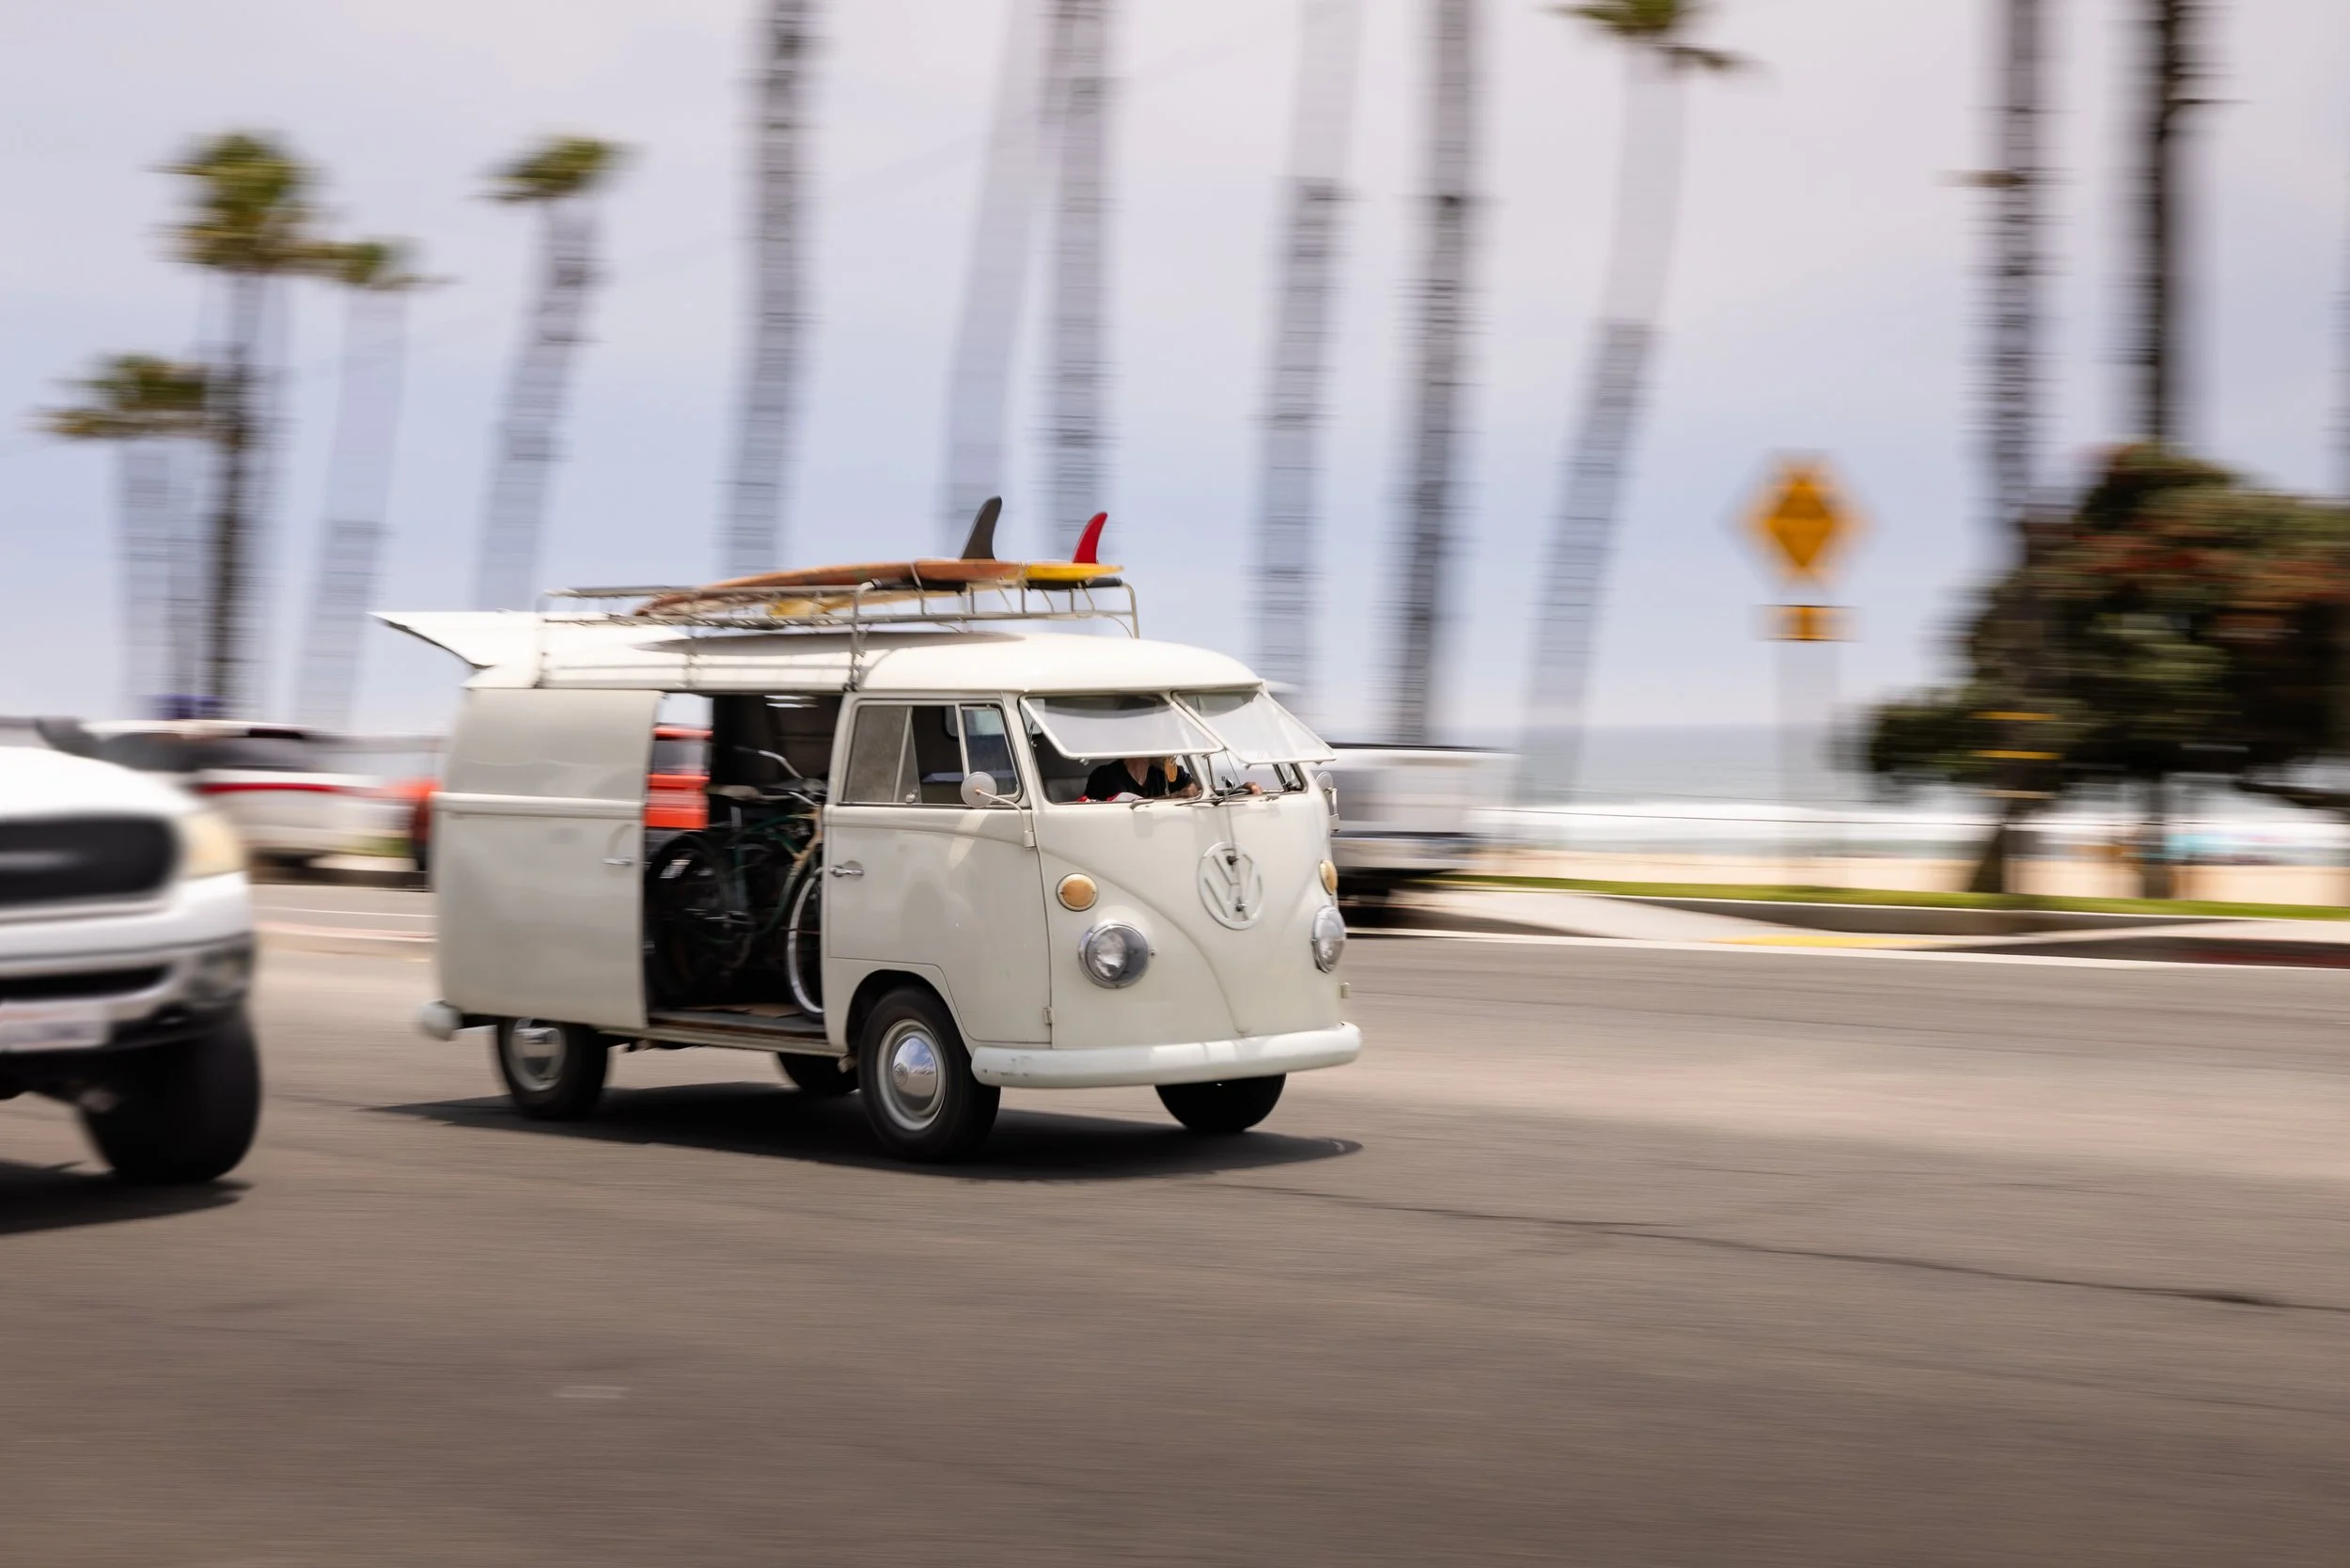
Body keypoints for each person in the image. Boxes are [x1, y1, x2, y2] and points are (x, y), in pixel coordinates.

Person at [1083, 755, 1198, 801]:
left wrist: (1194, 790)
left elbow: (1193, 787)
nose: (1171, 753)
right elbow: (1126, 810)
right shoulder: (1105, 776)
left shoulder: (1164, 771)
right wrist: (1175, 796)